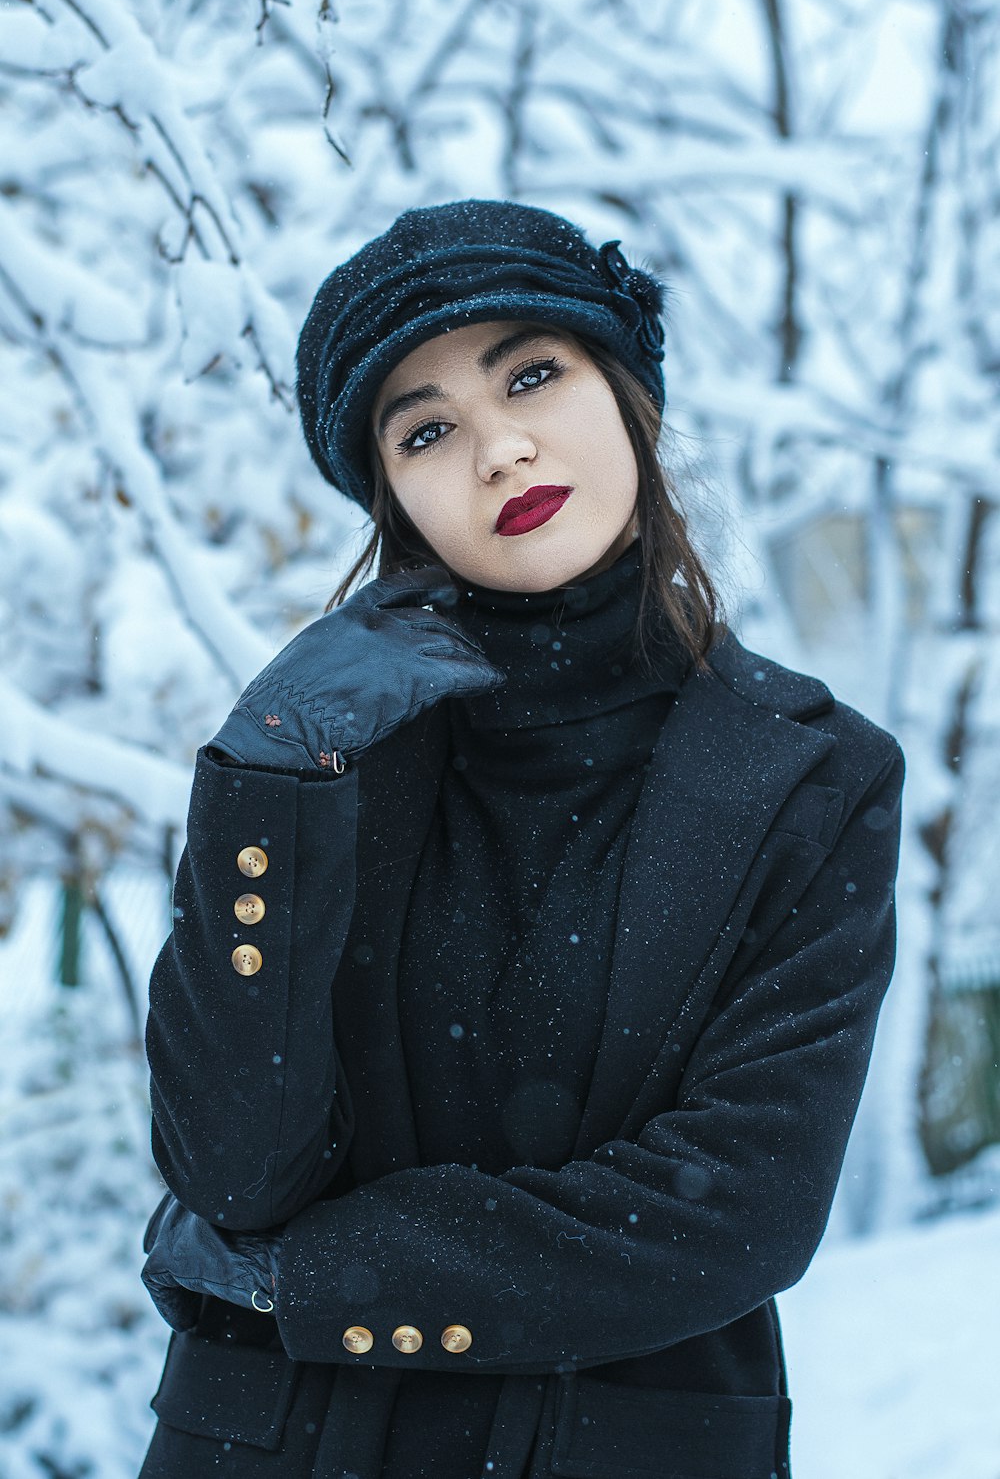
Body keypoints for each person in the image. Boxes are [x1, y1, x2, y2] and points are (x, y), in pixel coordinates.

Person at [137, 200, 905, 1479]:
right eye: (427, 429)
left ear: (624, 394)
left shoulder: (814, 777)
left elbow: (729, 1214)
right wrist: (258, 790)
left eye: (531, 375)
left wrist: (311, 1275)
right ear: (393, 497)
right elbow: (230, 1172)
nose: (497, 449)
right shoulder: (322, 762)